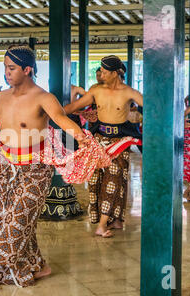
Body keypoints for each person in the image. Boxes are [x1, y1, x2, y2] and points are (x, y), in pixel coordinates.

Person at [0, 46, 120, 291]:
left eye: (12, 68)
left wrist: (81, 137)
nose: (7, 73)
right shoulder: (2, 97)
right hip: (7, 166)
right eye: (5, 67)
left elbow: (60, 119)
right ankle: (38, 266)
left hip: (36, 169)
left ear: (27, 70)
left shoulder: (43, 97)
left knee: (17, 221)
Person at [64, 55, 143, 238]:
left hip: (119, 141)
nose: (101, 74)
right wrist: (51, 113)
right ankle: (113, 220)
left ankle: (101, 225)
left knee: (114, 181)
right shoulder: (95, 90)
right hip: (99, 140)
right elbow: (74, 106)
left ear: (116, 73)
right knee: (95, 181)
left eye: (106, 72)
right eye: (101, 71)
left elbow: (152, 107)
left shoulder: (129, 92)